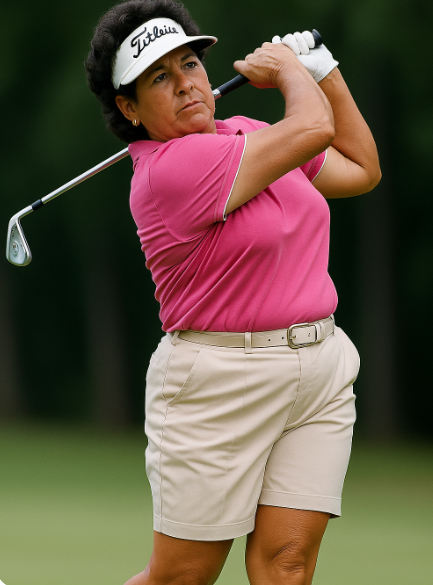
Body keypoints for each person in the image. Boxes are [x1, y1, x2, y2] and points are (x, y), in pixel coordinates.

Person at [85, 1, 381, 584]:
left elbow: (360, 168)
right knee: (183, 577)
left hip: (318, 370)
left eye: (190, 64)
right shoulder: (169, 170)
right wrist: (290, 69)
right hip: (219, 383)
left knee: (286, 567)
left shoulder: (251, 134)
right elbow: (314, 128)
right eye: (159, 78)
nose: (185, 84)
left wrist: (324, 69)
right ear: (129, 108)